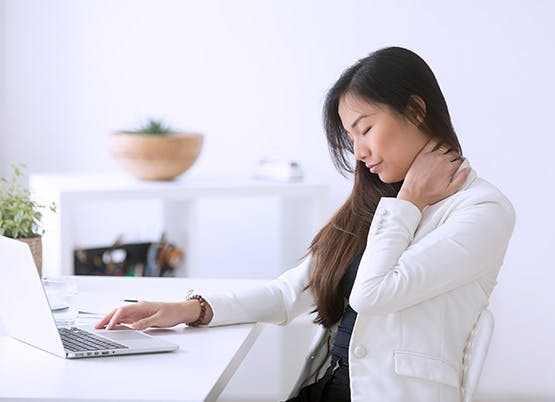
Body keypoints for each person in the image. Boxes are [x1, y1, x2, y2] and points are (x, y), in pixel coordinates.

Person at [95, 47, 516, 402]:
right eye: (351, 139)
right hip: (325, 389)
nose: (360, 152)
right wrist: (189, 309)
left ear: (416, 110)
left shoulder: (483, 210)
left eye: (365, 129)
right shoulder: (378, 203)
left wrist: (408, 202)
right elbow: (286, 294)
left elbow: (373, 293)